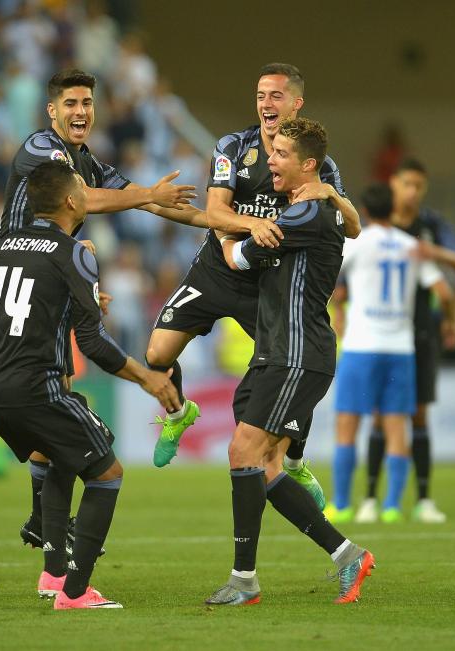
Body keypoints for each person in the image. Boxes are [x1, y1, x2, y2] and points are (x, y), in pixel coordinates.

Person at [0, 68, 204, 555]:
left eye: (87, 103)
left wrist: (217, 222)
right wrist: (150, 194)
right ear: (52, 111)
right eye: (70, 103)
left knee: (60, 393)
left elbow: (144, 200)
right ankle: (44, 525)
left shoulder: (85, 158)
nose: (80, 112)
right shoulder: (40, 150)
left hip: (52, 278)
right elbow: (88, 199)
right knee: (57, 402)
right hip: (22, 275)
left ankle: (40, 522)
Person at [0, 161, 180, 609]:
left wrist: (81, 296)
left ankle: (52, 574)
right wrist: (146, 377)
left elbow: (30, 301)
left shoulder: (5, 241)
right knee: (107, 473)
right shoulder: (74, 252)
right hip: (35, 386)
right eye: (83, 188)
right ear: (71, 200)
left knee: (59, 455)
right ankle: (75, 591)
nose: (89, 193)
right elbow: (93, 341)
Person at [148, 63, 361, 491]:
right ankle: (178, 413)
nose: (266, 103)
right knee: (156, 355)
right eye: (261, 95)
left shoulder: (319, 165)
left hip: (264, 280)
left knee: (291, 365)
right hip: (216, 269)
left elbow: (353, 227)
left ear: (296, 104)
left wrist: (333, 194)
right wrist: (252, 226)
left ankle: (295, 459)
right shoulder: (233, 146)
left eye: (276, 96)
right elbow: (216, 213)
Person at [212, 117, 374, 606]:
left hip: (297, 353)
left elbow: (237, 259)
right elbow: (351, 223)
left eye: (280, 154)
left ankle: (244, 581)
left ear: (309, 165)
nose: (270, 161)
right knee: (263, 465)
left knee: (244, 452)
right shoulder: (306, 209)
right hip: (278, 352)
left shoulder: (306, 216)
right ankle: (347, 555)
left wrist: (219, 232)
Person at [326, 184, 455, 525]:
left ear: (367, 211)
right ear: (393, 209)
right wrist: (449, 320)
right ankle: (391, 507)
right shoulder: (412, 246)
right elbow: (444, 291)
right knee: (397, 425)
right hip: (400, 348)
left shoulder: (358, 242)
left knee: (347, 424)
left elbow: (332, 277)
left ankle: (341, 504)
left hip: (362, 346)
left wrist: (338, 309)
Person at [366, 159, 455, 523]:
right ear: (393, 184)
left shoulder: (432, 226)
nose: (412, 191)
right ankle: (369, 499)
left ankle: (424, 499)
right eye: (407, 183)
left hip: (421, 329)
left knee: (419, 412)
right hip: (381, 331)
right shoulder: (377, 226)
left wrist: (434, 253)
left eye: (418, 186)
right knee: (380, 416)